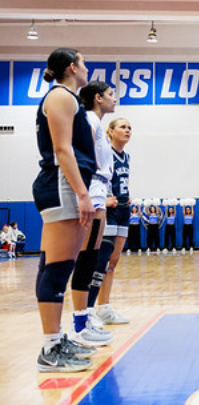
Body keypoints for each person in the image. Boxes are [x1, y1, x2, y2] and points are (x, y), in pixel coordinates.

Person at [32, 48, 97, 372]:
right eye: (83, 63)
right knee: (58, 268)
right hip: (61, 184)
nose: (87, 68)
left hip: (63, 184)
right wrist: (83, 194)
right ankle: (50, 349)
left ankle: (55, 339)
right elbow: (61, 149)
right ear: (72, 67)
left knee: (53, 265)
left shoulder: (67, 98)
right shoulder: (60, 96)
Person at [66, 80, 117, 348]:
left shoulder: (95, 123)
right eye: (110, 94)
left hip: (99, 188)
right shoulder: (89, 120)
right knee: (86, 257)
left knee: (92, 256)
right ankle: (79, 324)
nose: (114, 98)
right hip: (92, 189)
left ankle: (83, 318)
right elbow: (76, 155)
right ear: (98, 98)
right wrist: (85, 192)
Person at [89, 117, 133, 327]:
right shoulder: (105, 152)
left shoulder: (127, 156)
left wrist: (127, 195)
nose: (127, 130)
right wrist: (104, 198)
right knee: (101, 261)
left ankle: (104, 308)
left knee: (113, 262)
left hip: (123, 209)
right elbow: (96, 177)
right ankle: (88, 310)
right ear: (111, 131)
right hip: (109, 210)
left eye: (129, 127)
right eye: (123, 127)